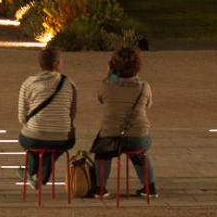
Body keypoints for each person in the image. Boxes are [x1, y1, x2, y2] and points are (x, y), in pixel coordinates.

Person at [93, 46, 158, 199]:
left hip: (111, 134)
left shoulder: (107, 85)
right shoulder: (144, 87)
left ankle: (100, 187)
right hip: (138, 135)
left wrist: (109, 75)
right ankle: (150, 186)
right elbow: (148, 105)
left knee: (102, 154)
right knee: (139, 154)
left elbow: (100, 99)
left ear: (113, 65)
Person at [17, 47, 78, 189]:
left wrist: (34, 126)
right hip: (62, 138)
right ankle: (41, 174)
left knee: (31, 142)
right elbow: (72, 114)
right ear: (56, 64)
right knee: (53, 147)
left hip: (33, 137)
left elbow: (22, 116)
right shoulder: (69, 83)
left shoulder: (29, 83)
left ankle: (32, 171)